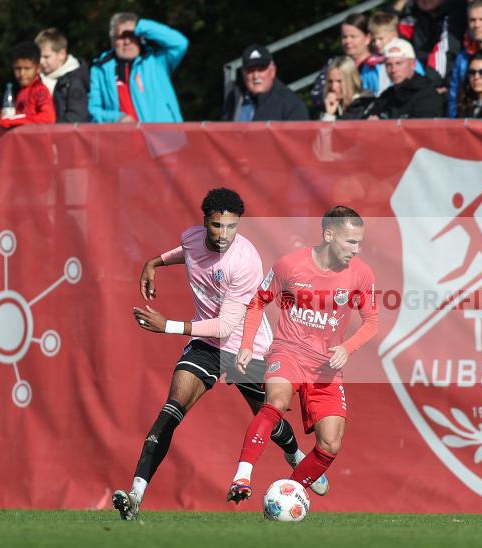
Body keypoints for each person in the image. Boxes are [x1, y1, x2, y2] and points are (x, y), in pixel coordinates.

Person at [112, 188, 327, 520]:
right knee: (170, 411)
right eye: (217, 226)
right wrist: (153, 263)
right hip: (206, 348)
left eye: (231, 227)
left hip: (247, 348)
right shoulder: (192, 238)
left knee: (269, 419)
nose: (224, 235)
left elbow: (226, 326)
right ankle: (135, 495)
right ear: (205, 222)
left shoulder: (245, 261)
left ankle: (295, 453)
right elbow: (187, 252)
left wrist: (167, 326)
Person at [225, 206, 379, 504]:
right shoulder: (289, 265)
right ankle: (242, 476)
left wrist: (347, 348)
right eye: (350, 242)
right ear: (329, 235)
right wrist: (246, 344)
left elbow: (372, 322)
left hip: (326, 367)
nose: (356, 249)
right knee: (277, 401)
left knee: (330, 444)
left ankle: (288, 495)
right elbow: (258, 301)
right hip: (289, 352)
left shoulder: (361, 273)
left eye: (359, 242)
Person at [88, 12, 188, 123]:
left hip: (164, 137)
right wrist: (116, 118)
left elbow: (180, 43)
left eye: (131, 35)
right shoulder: (100, 69)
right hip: (123, 138)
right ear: (112, 41)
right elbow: (93, 110)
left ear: (140, 37)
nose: (127, 41)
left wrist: (141, 26)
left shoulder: (156, 61)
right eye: (121, 37)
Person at [223, 44, 309, 122]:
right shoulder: (234, 99)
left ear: (273, 71)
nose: (256, 76)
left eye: (261, 69)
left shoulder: (291, 105)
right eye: (250, 70)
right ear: (243, 73)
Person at [368, 38, 444, 118]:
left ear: (412, 64)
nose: (393, 70)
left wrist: (381, 127)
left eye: (399, 63)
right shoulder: (387, 96)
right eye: (388, 65)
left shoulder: (427, 95)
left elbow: (421, 129)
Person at [34, 28, 90, 123]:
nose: (41, 61)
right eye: (38, 56)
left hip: (63, 135)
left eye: (46, 57)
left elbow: (77, 116)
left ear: (61, 54)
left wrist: (51, 130)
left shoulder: (75, 81)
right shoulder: (36, 80)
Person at [0, 41, 56, 128]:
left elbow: (48, 118)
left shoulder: (40, 90)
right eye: (17, 68)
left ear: (38, 68)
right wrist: (2, 116)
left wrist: (13, 121)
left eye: (27, 68)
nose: (22, 74)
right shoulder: (20, 91)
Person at [321, 56, 376, 121]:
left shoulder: (364, 105)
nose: (333, 87)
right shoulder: (329, 105)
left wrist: (329, 117)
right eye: (330, 81)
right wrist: (329, 113)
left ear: (351, 80)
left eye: (339, 81)